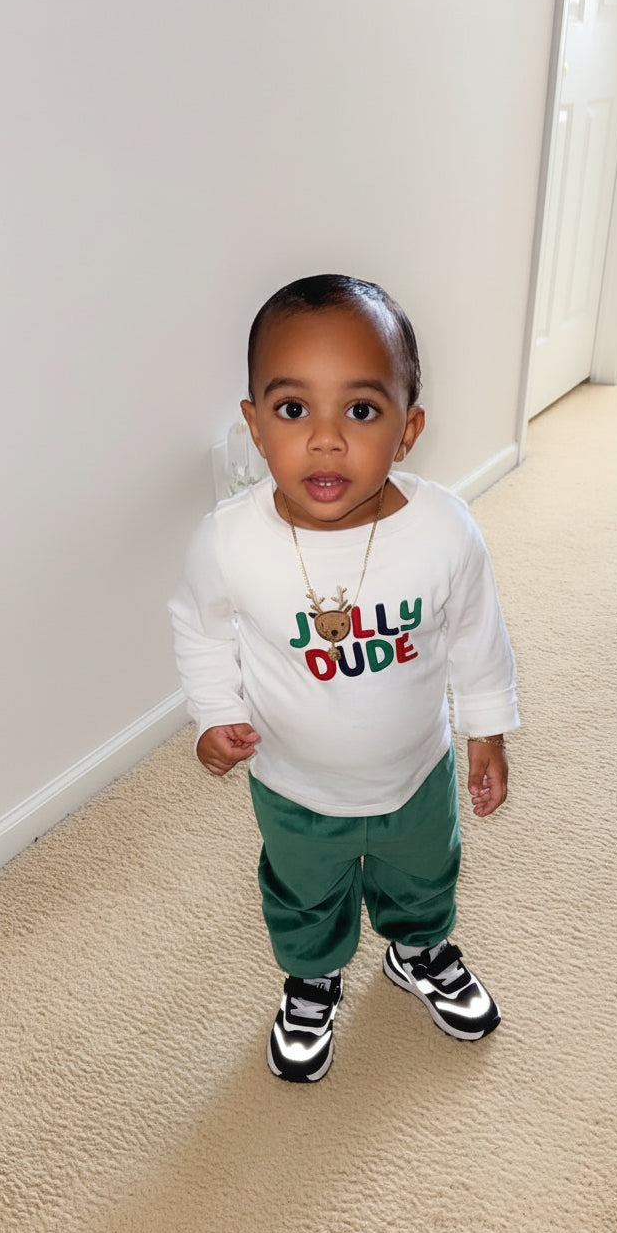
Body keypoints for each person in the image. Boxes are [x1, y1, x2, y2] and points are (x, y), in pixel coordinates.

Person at [168, 274, 519, 1084]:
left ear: (408, 429)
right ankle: (312, 978)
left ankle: (420, 950)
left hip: (414, 774)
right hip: (295, 784)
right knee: (303, 893)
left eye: (361, 411)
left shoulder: (441, 532)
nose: (326, 440)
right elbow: (200, 624)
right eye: (294, 410)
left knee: (425, 872)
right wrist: (214, 714)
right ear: (255, 426)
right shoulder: (229, 542)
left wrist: (487, 730)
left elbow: (475, 635)